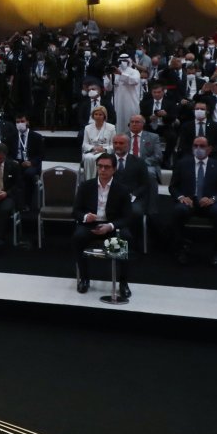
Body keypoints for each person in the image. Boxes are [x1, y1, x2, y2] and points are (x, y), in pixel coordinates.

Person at [72, 153, 131, 298]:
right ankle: (85, 279)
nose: (103, 170)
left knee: (125, 237)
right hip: (91, 224)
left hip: (112, 225)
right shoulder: (86, 186)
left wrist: (110, 226)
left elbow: (127, 217)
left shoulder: (122, 189)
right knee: (78, 237)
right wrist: (86, 217)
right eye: (100, 166)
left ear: (114, 169)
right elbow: (76, 211)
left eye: (107, 167)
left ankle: (123, 282)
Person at [169, 136, 217, 265]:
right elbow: (173, 187)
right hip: (189, 202)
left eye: (202, 146)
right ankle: (180, 248)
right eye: (195, 146)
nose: (198, 149)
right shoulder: (182, 164)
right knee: (178, 211)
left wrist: (213, 199)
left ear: (209, 149)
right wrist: (181, 197)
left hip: (210, 203)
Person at [80, 105, 115, 179]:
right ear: (93, 116)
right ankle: (89, 179)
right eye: (96, 114)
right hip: (91, 151)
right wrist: (93, 148)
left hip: (104, 151)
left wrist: (104, 149)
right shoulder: (87, 128)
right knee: (88, 158)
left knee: (98, 157)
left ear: (104, 116)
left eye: (100, 114)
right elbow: (84, 144)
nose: (98, 116)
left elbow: (113, 145)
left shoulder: (111, 127)